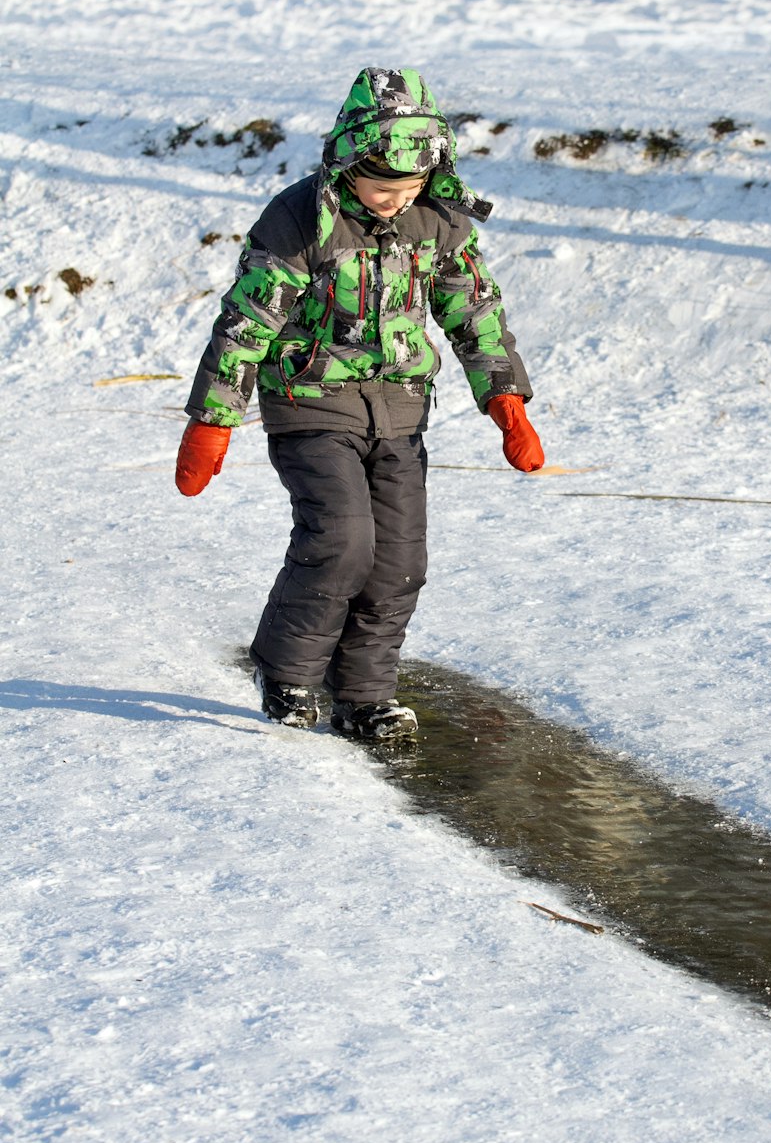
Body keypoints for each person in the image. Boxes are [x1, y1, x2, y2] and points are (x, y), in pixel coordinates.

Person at [175, 66, 543, 740]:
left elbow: (474, 312)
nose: (391, 202)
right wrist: (213, 420)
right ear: (346, 165)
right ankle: (286, 672)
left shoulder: (437, 220)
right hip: (311, 404)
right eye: (379, 187)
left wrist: (505, 402)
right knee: (342, 541)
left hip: (401, 411)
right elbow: (246, 323)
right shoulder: (297, 221)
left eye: (407, 189)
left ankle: (364, 696)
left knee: (401, 563)